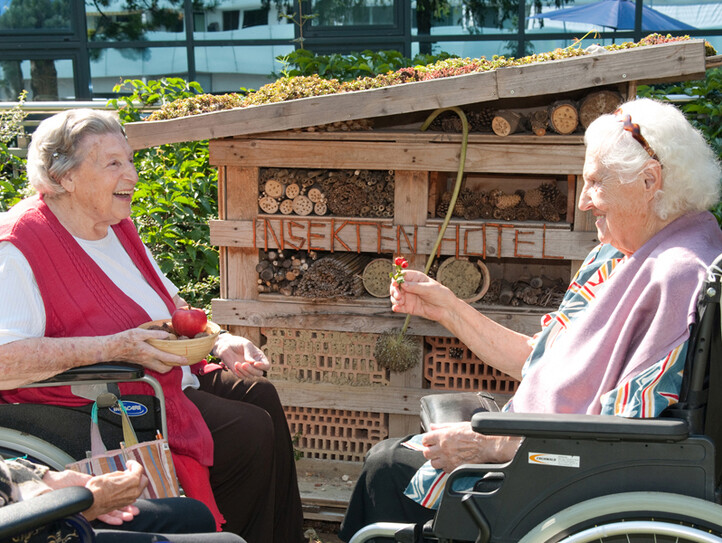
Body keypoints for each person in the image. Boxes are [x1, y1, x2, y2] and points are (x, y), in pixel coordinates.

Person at [338, 97, 722, 540]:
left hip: (558, 477)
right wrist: (444, 306)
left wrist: (491, 444)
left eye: (596, 183)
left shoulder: (676, 274)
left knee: (384, 467)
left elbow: (628, 436)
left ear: (649, 180)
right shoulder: (624, 256)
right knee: (391, 456)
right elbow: (536, 360)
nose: (583, 202)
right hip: (547, 449)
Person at [0, 109, 304, 543]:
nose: (133, 175)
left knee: (261, 393)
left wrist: (221, 341)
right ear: (63, 176)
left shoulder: (116, 227)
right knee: (246, 432)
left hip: (161, 375)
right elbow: (4, 361)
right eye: (113, 164)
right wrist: (112, 347)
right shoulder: (18, 247)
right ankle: (229, 537)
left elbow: (169, 305)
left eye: (130, 160)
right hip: (95, 397)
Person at [0, 457, 245, 542]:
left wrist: (47, 479)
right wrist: (85, 504)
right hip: (22, 527)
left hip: (15, 497)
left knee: (195, 514)